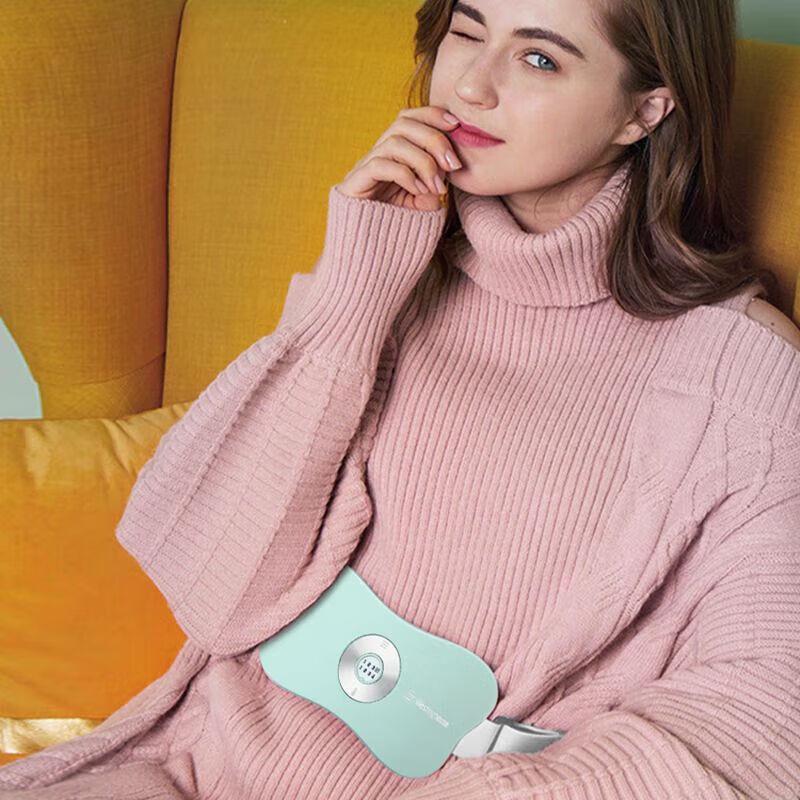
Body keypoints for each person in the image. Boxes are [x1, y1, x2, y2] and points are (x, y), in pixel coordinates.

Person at [2, 0, 799, 798]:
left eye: (540, 59)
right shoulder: (385, 273)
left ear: (644, 110)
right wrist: (352, 294)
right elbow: (215, 599)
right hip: (187, 768)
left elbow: (764, 716)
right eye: (467, 33)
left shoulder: (737, 368)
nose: (472, 86)